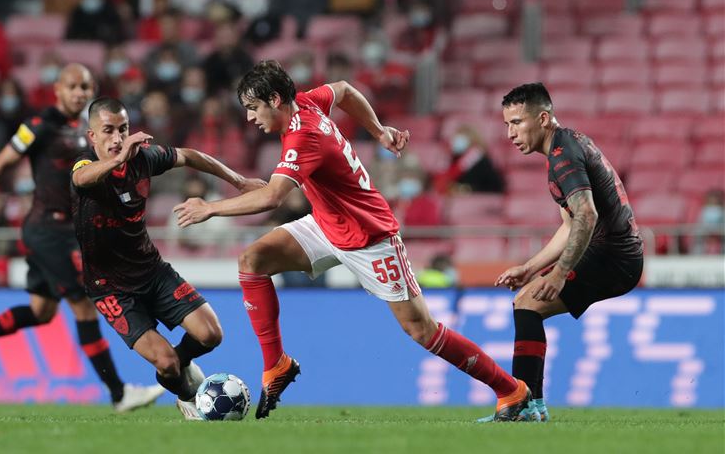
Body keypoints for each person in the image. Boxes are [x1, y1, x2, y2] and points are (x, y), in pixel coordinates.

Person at [173, 60, 531, 420]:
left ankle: (511, 390)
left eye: (253, 107)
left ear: (276, 100)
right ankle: (276, 364)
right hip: (327, 223)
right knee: (252, 261)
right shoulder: (307, 102)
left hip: (369, 237)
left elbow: (272, 197)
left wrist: (211, 208)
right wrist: (379, 132)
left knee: (422, 330)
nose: (250, 117)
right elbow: (344, 90)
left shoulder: (303, 135)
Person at [0, 64, 165, 413]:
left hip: (65, 231)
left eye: (85, 86)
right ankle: (119, 393)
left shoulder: (92, 131)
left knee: (41, 311)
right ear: (57, 89)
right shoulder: (39, 126)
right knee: (84, 304)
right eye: (72, 86)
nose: (79, 93)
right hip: (49, 231)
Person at [70, 97, 265, 419]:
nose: (117, 138)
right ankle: (188, 396)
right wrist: (117, 160)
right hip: (110, 288)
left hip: (152, 270)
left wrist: (239, 181)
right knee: (166, 364)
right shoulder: (84, 165)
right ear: (92, 136)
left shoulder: (144, 159)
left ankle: (181, 362)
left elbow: (189, 155)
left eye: (123, 129)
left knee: (211, 334)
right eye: (108, 130)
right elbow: (82, 179)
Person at [485, 82, 644, 422]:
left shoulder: (563, 154)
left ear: (543, 118)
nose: (510, 133)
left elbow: (587, 215)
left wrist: (558, 274)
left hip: (614, 256)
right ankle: (532, 406)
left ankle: (525, 406)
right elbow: (571, 225)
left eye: (517, 122)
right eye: (507, 125)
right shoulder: (565, 145)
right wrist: (530, 268)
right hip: (615, 254)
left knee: (529, 303)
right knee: (526, 301)